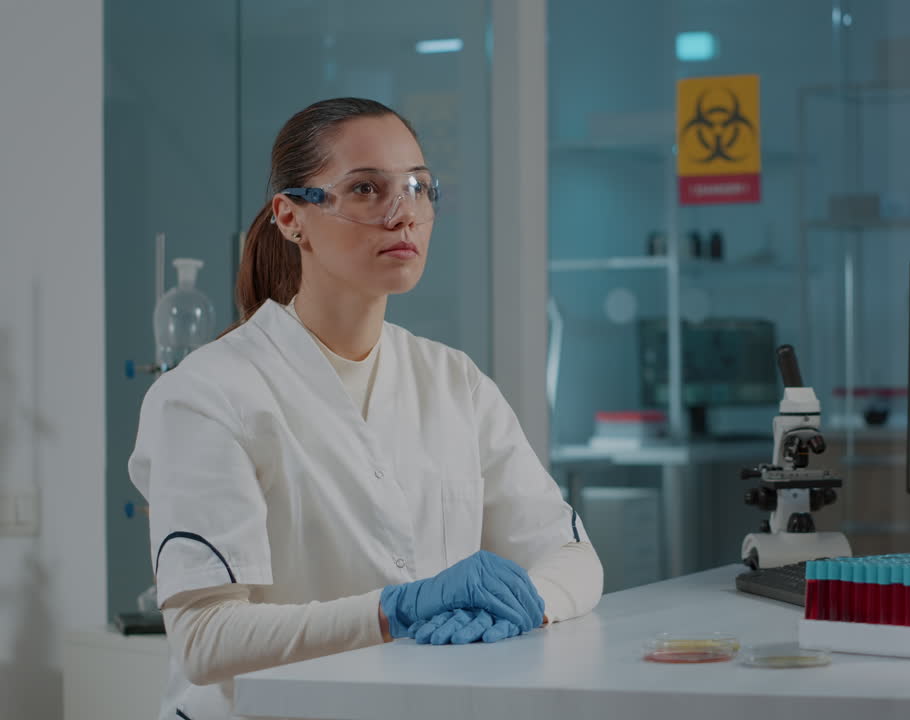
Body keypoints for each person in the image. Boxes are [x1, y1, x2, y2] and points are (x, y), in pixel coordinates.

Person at [129, 97, 603, 720]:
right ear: (291, 217)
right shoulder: (206, 394)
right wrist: (396, 610)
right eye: (365, 190)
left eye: (417, 188)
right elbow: (206, 640)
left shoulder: (453, 381)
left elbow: (573, 557)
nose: (402, 214)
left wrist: (522, 603)